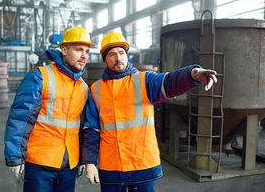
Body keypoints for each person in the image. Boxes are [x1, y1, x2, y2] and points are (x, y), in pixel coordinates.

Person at [81, 32, 217, 192]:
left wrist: (191, 74)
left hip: (141, 163)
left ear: (127, 55)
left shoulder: (144, 81)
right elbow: (92, 129)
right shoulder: (96, 90)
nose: (118, 58)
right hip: (111, 166)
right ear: (105, 59)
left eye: (121, 53)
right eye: (112, 54)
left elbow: (169, 81)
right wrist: (89, 162)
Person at [4, 26, 95, 192]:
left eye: (87, 51)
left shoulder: (83, 87)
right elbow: (20, 118)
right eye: (79, 50)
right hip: (40, 163)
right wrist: (14, 154)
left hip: (69, 164)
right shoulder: (40, 76)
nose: (84, 56)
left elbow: (81, 127)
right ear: (64, 50)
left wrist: (82, 158)